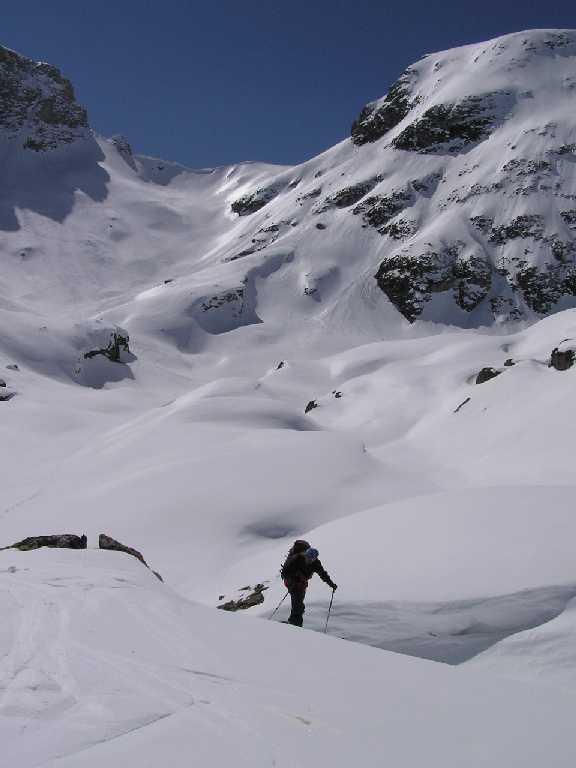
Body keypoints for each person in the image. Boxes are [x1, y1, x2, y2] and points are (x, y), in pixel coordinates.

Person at [280, 539, 337, 627]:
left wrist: (331, 584)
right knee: (298, 604)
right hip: (291, 582)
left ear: (314, 559)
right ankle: (295, 625)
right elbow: (285, 572)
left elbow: (323, 574)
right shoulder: (297, 558)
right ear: (305, 554)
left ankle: (293, 623)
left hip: (301, 584)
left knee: (299, 604)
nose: (308, 560)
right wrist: (295, 578)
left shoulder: (316, 563)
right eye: (307, 558)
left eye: (310, 559)